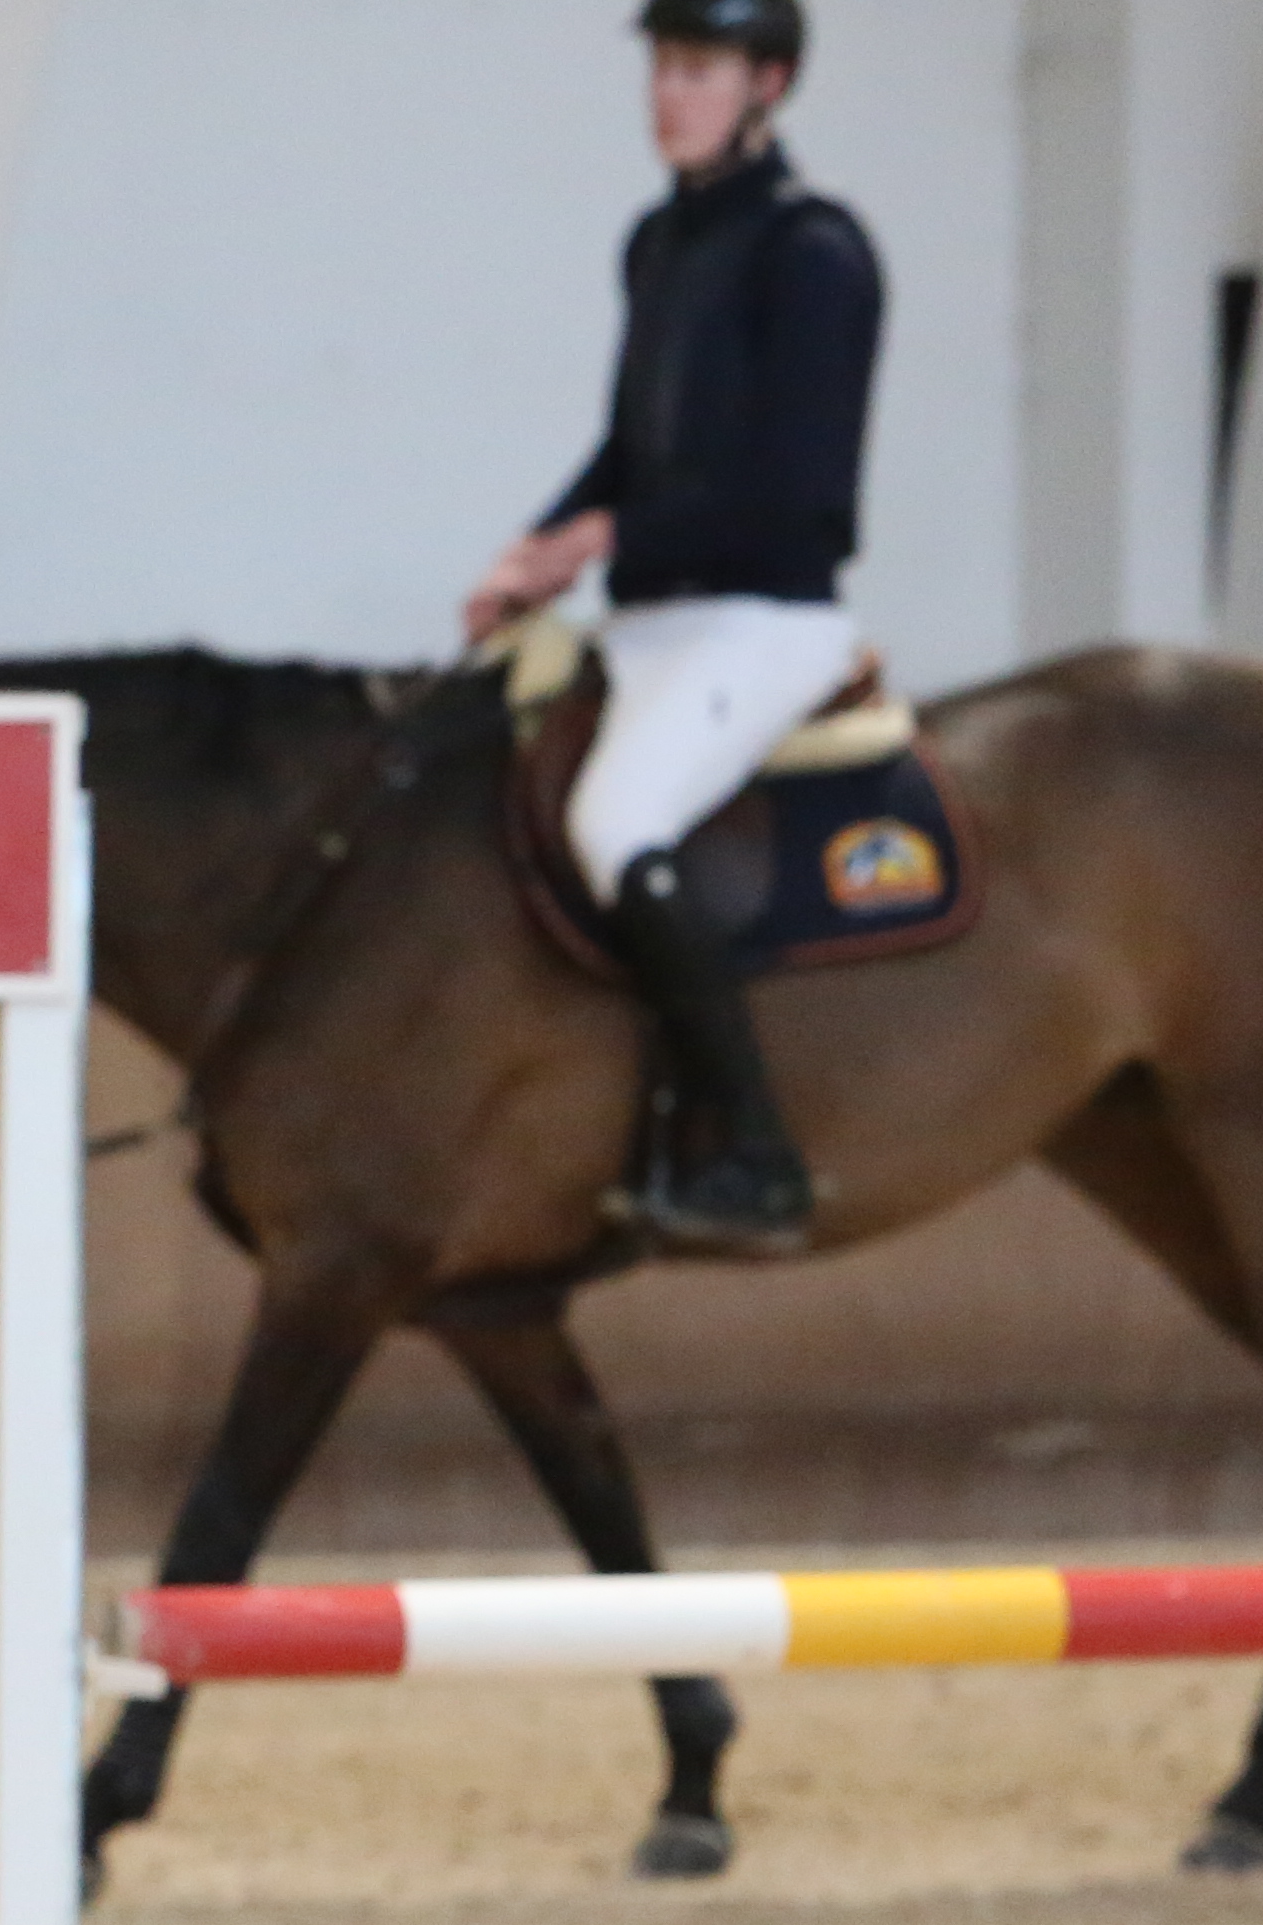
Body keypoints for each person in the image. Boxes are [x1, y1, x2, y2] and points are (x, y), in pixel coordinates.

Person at [462, 0, 885, 1255]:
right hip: (654, 620)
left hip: (763, 622)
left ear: (770, 85)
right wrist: (540, 551)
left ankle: (758, 1154)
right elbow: (628, 447)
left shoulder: (817, 252)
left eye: (698, 68)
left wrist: (610, 542)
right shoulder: (660, 242)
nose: (668, 92)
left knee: (616, 820)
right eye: (663, 64)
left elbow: (799, 490)